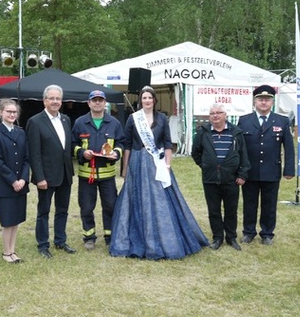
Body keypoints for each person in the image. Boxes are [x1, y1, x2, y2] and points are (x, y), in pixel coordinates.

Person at [109, 86, 209, 260]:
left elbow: (168, 143)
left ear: (154, 100)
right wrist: (125, 169)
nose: (147, 100)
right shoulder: (133, 119)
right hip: (138, 163)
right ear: (140, 100)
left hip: (158, 163)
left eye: (149, 98)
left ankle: (164, 238)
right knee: (136, 199)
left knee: (161, 200)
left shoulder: (162, 118)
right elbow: (128, 146)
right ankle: (139, 238)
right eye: (144, 98)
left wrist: (167, 165)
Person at [238, 85, 295, 245]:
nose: (264, 103)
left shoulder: (282, 121)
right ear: (254, 101)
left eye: (267, 100)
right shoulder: (244, 120)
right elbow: (239, 148)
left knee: (269, 205)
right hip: (250, 171)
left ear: (272, 102)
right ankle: (248, 232)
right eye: (260, 99)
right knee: (249, 203)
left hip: (272, 170)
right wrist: (239, 170)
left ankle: (267, 233)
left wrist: (288, 170)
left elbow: (289, 148)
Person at [191, 103, 250, 251]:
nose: (215, 115)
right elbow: (195, 152)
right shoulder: (203, 132)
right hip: (210, 179)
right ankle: (217, 238)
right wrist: (206, 165)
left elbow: (244, 155)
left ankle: (231, 238)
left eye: (219, 112)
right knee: (214, 210)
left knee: (231, 210)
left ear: (225, 115)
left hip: (231, 179)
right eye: (212, 113)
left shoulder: (236, 133)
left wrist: (242, 174)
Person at [26, 84, 76, 259]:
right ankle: (43, 244)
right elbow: (34, 153)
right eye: (51, 98)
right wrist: (39, 177)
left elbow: (65, 149)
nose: (55, 102)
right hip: (46, 177)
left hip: (65, 174)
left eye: (58, 99)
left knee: (63, 210)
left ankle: (60, 241)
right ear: (44, 100)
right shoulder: (35, 121)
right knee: (44, 211)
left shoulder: (66, 120)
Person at [71, 90, 125, 250]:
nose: (97, 103)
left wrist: (116, 153)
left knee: (110, 206)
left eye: (100, 100)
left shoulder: (114, 123)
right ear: (88, 103)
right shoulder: (80, 122)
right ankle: (89, 237)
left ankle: (110, 236)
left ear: (105, 103)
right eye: (94, 100)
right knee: (86, 207)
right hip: (86, 175)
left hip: (107, 175)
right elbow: (72, 144)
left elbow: (122, 143)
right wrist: (81, 152)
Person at [0, 99, 30, 263]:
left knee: (16, 219)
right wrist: (13, 180)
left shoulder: (21, 132)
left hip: (21, 183)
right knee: (7, 220)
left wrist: (23, 179)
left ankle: (13, 250)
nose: (12, 114)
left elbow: (27, 158)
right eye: (8, 112)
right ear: (1, 113)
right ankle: (6, 252)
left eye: (14, 112)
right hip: (5, 185)